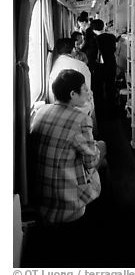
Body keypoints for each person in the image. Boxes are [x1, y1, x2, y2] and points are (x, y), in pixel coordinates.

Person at [30, 69, 107, 225]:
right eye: (85, 89)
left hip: (39, 195)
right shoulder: (81, 119)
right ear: (73, 94)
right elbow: (91, 161)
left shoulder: (41, 111)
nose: (88, 92)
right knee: (102, 149)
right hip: (65, 201)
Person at [48, 38, 94, 119]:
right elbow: (87, 91)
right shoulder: (81, 65)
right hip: (80, 110)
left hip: (56, 109)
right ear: (73, 49)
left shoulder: (53, 64)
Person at [89, 19, 118, 122]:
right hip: (111, 64)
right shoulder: (112, 37)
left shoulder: (94, 39)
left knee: (98, 89)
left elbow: (92, 54)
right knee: (111, 87)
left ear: (92, 29)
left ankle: (101, 113)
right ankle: (112, 111)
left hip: (99, 67)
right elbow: (114, 50)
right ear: (103, 26)